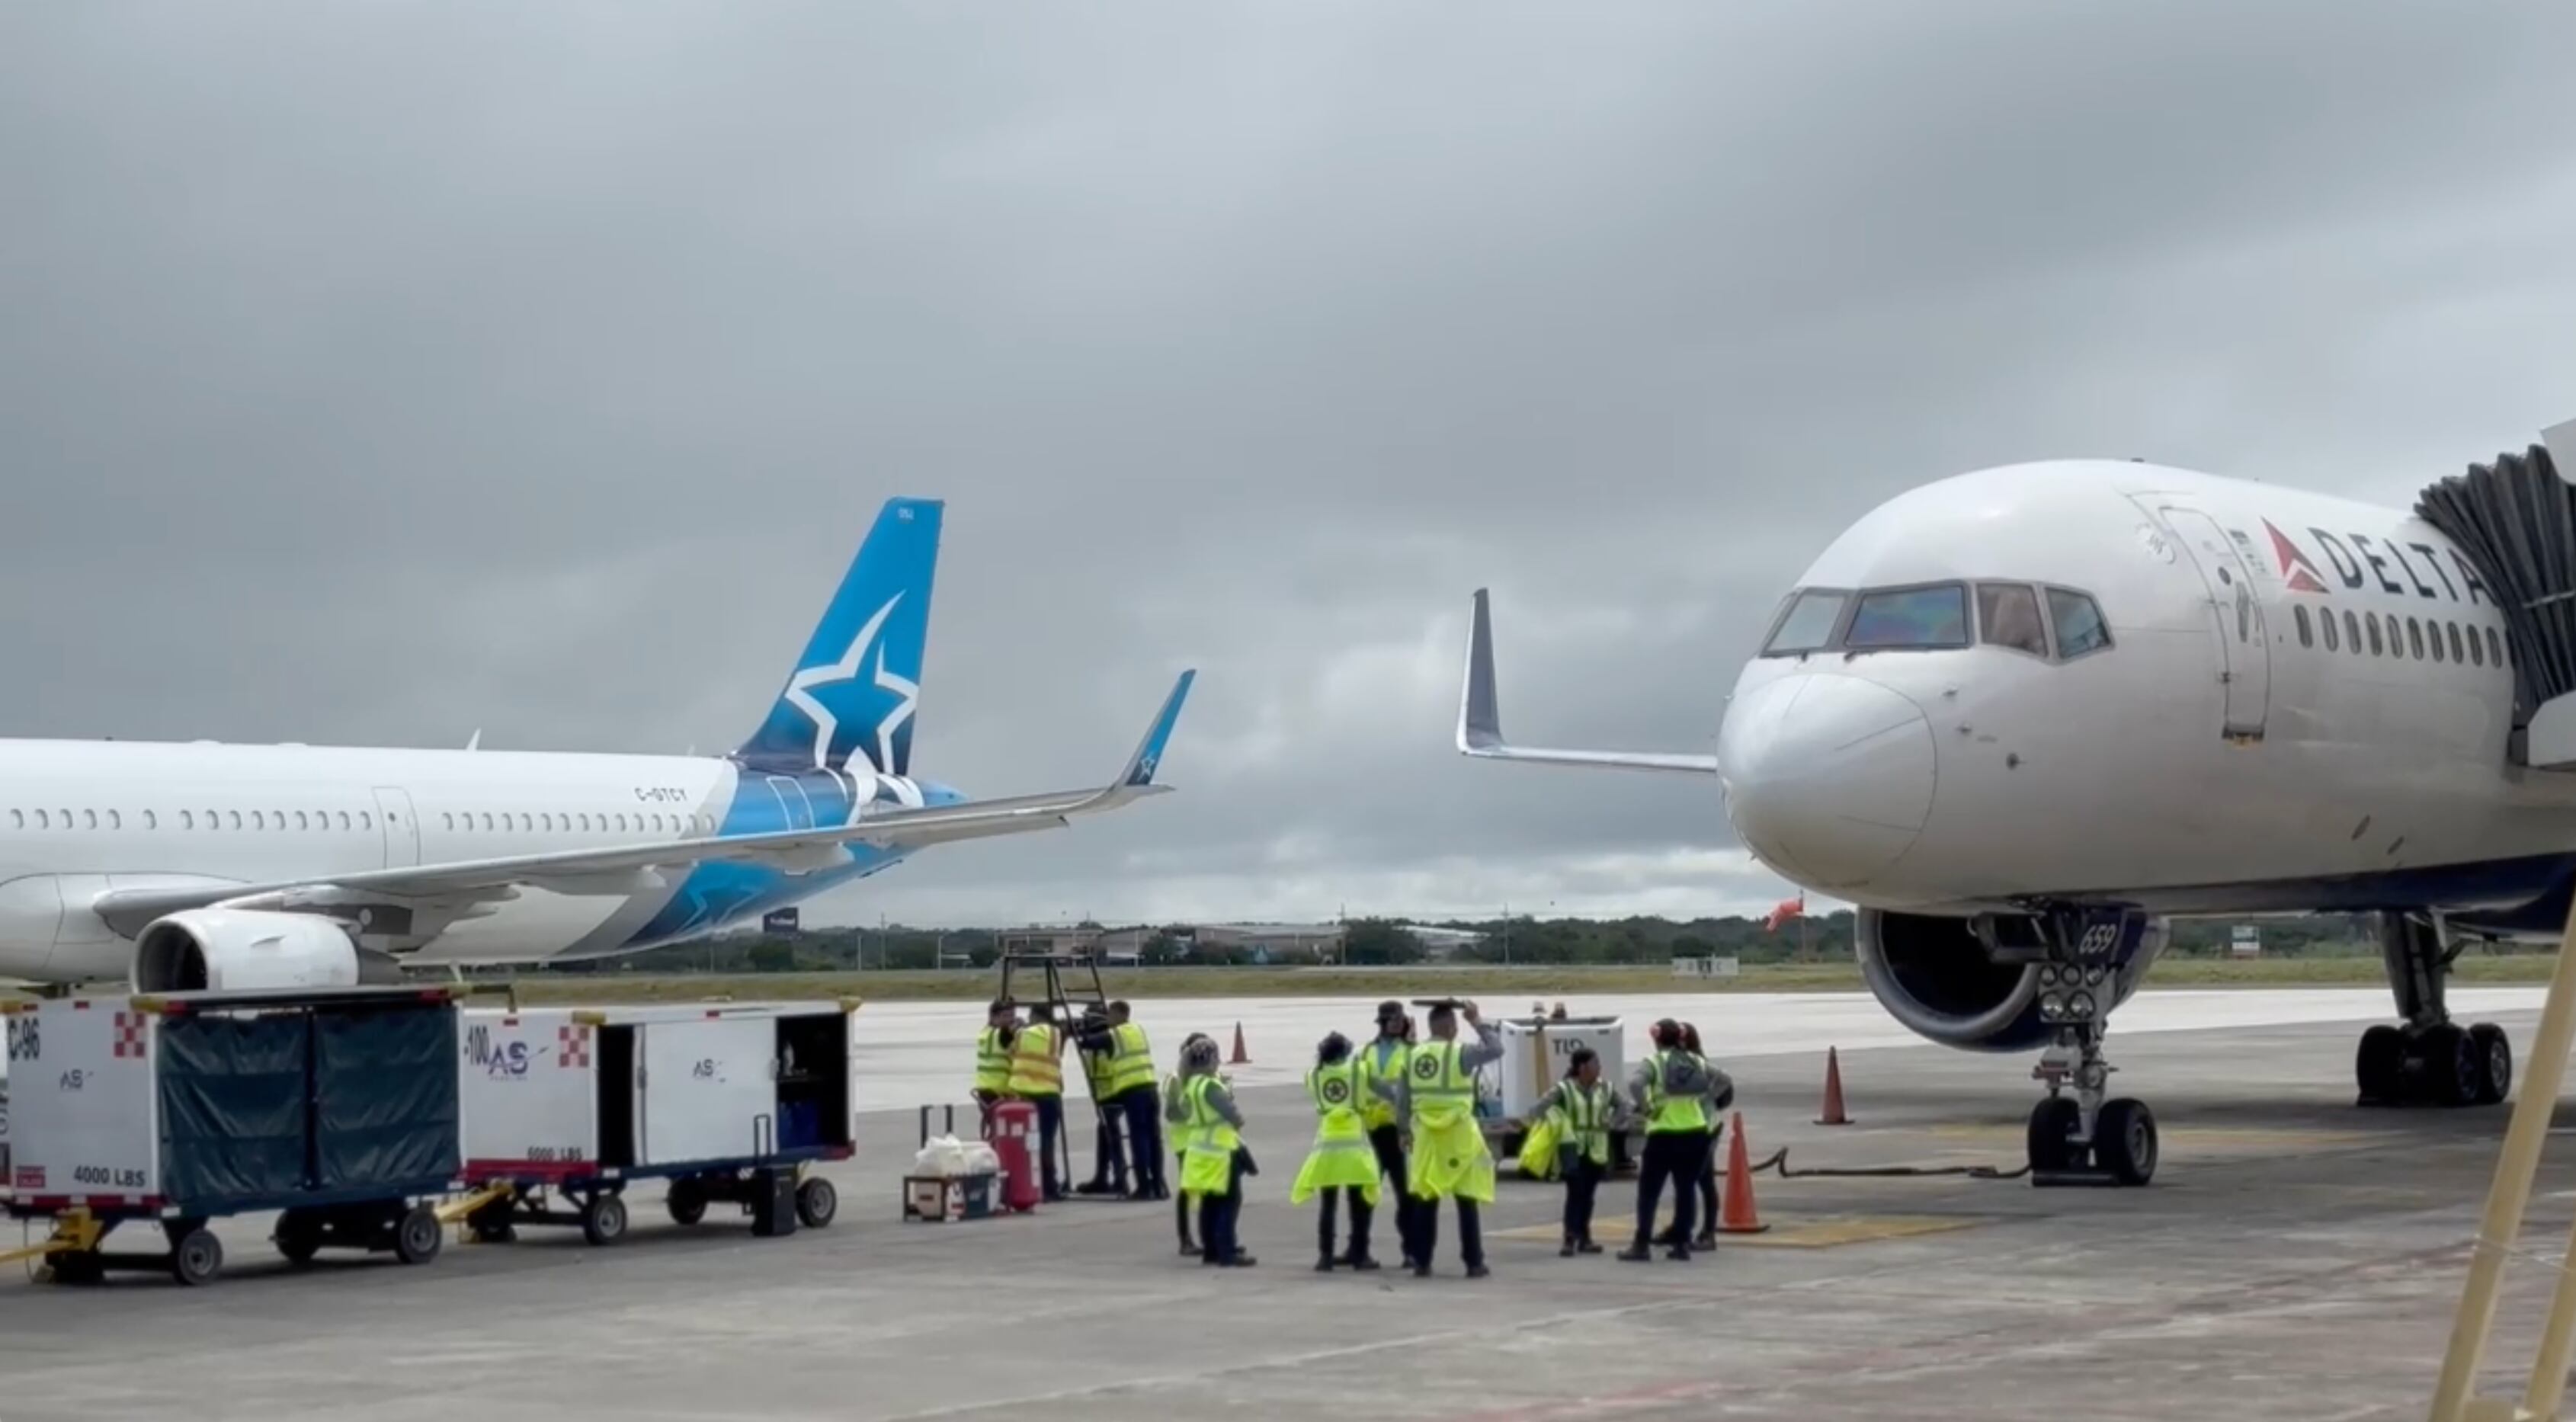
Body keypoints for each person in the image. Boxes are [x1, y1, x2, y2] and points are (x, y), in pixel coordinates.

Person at [1395, 999, 1503, 1279]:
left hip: (1427, 1136)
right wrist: (1476, 1020)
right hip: (1459, 1134)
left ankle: (1422, 1261)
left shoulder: (1412, 1055)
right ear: (1451, 1026)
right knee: (1467, 1201)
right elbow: (1496, 1048)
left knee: (1426, 1198)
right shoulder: (1460, 1054)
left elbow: (1402, 1099)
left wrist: (1403, 1131)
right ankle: (1473, 1261)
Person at [1624, 1018, 1713, 1261]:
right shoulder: (1695, 1060)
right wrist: (1705, 1102)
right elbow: (1723, 1080)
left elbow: (1635, 1084)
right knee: (1685, 1190)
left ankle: (1641, 1244)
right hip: (1696, 1132)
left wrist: (1647, 1108)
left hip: (1664, 1134)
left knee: (1649, 1193)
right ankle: (1682, 1245)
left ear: (1656, 1038)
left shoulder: (1654, 1062)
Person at [1293, 1031, 1383, 1272]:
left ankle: (1325, 1256)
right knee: (1358, 1203)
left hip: (1327, 1145)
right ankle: (1360, 1255)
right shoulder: (1358, 1071)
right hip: (1354, 1145)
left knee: (1328, 1204)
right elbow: (1383, 1090)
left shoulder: (1313, 1075)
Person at [1168, 1033, 1256, 1267]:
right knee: (1229, 1201)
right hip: (1221, 1150)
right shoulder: (1210, 1085)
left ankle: (1211, 1250)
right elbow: (1233, 1115)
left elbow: (1182, 1114)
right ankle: (1227, 1251)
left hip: (1199, 1149)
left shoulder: (1190, 1084)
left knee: (1209, 1202)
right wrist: (1237, 1122)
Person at [1357, 1001, 1419, 1268]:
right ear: (1382, 1022)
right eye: (1393, 1019)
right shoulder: (1367, 1052)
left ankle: (1411, 1250)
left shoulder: (1411, 1051)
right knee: (1366, 1192)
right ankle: (1359, 1249)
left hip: (1398, 1130)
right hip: (1371, 1130)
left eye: (1400, 1018)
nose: (1398, 1023)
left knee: (1405, 1193)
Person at [1543, 1046, 1616, 1256]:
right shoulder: (1564, 1089)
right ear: (1582, 1067)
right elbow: (1541, 1107)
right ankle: (1570, 1238)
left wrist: (1613, 1121)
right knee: (1575, 1193)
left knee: (1588, 1195)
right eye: (1595, 1063)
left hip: (1596, 1149)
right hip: (1572, 1148)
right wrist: (1552, 1125)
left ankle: (1584, 1237)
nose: (1599, 1067)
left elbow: (1624, 1106)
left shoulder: (1605, 1089)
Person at [1005, 1003, 1068, 1203]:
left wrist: (1017, 1027)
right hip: (1048, 1094)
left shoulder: (1023, 1033)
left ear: (1035, 1016)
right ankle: (1050, 1186)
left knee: (1025, 1144)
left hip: (1023, 1095)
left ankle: (1029, 1184)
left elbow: (1010, 1050)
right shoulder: (1056, 1033)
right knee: (1046, 1142)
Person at [1105, 1001, 1165, 1199]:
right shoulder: (1138, 1030)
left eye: (1110, 1014)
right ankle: (1158, 1185)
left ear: (1120, 1014)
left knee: (1139, 1139)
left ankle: (1143, 1187)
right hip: (1150, 1087)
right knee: (1155, 1138)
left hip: (1133, 1092)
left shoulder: (1115, 1034)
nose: (1108, 1018)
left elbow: (1091, 1041)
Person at [1072, 1007, 1129, 1196]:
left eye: (1087, 1020)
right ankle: (1103, 1177)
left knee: (1111, 1133)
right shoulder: (1100, 1038)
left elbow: (1087, 1043)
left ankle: (1119, 1179)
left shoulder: (1105, 1039)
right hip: (1105, 1096)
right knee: (1105, 1132)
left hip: (1114, 1094)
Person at [1165, 1033, 1212, 1255]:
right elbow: (1171, 1112)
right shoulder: (1176, 1079)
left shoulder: (1208, 1077)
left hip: (1206, 1140)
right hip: (1185, 1141)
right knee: (1187, 1188)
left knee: (1211, 1188)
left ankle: (1211, 1237)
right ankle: (1185, 1239)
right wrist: (1195, 1112)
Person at [974, 998, 1017, 1132]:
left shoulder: (985, 1033)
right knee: (1005, 1131)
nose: (1009, 1020)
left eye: (1012, 1016)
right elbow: (1006, 1037)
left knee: (998, 1130)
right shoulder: (1001, 1035)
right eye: (1005, 1016)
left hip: (985, 1091)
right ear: (993, 1017)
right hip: (998, 1093)